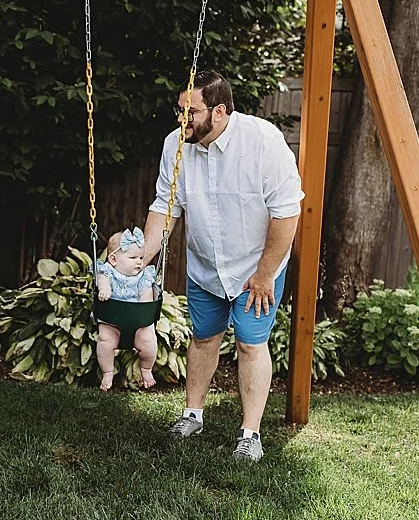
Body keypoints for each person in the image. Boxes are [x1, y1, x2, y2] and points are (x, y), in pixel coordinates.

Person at [140, 69, 302, 462]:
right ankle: (192, 414)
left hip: (256, 268)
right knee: (203, 338)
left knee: (250, 344)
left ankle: (250, 435)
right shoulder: (175, 145)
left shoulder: (264, 141)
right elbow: (166, 206)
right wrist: (140, 260)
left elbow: (286, 213)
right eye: (180, 111)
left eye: (191, 112)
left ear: (219, 111)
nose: (183, 121)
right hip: (205, 266)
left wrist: (264, 275)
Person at [94, 226, 159, 392]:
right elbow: (102, 280)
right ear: (114, 259)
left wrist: (145, 303)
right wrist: (105, 289)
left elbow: (146, 294)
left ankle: (146, 369)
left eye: (141, 257)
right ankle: (108, 371)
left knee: (148, 340)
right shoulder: (107, 270)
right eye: (133, 257)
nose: (139, 261)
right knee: (105, 340)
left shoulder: (144, 276)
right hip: (112, 321)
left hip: (138, 323)